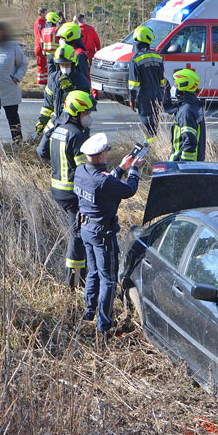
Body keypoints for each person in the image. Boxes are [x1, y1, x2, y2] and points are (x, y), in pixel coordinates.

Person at [74, 133, 143, 335]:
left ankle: (89, 312)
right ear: (100, 157)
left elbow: (104, 182)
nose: (107, 155)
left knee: (94, 271)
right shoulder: (103, 182)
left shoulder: (81, 171)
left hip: (86, 228)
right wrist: (134, 170)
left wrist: (121, 168)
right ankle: (103, 325)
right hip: (102, 233)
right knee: (109, 278)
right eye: (106, 153)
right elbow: (129, 190)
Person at [49, 90, 95, 287]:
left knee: (77, 231)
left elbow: (43, 152)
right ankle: (73, 283)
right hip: (72, 194)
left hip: (57, 189)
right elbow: (84, 171)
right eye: (86, 113)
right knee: (77, 235)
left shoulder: (58, 129)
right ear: (77, 113)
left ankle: (80, 275)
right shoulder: (77, 136)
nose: (89, 117)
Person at [35, 44, 92, 135]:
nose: (64, 68)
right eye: (62, 65)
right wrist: (42, 120)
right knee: (43, 146)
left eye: (67, 65)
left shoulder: (82, 82)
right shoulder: (53, 79)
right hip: (56, 120)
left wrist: (68, 90)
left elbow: (86, 108)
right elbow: (48, 105)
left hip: (74, 123)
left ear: (73, 64)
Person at [128, 25, 165, 141]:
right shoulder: (158, 57)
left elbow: (133, 84)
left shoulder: (136, 58)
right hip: (157, 95)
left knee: (146, 125)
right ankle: (156, 143)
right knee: (155, 124)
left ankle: (149, 147)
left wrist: (132, 100)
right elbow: (162, 81)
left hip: (144, 96)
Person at [166, 68, 205, 161]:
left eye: (175, 84)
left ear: (183, 86)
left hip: (183, 166)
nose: (173, 87)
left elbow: (189, 141)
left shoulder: (186, 111)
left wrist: (184, 165)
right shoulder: (192, 105)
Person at [41, 11, 61, 76]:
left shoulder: (43, 30)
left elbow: (42, 44)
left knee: (50, 74)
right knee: (58, 73)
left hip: (48, 55)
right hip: (56, 54)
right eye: (58, 21)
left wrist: (44, 53)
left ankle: (50, 85)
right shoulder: (56, 29)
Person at [33, 8, 48, 87]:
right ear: (42, 14)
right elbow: (39, 36)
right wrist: (42, 45)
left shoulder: (44, 22)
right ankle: (41, 82)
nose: (46, 14)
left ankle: (45, 80)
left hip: (44, 46)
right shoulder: (38, 23)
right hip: (40, 47)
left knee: (45, 65)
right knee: (41, 65)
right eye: (45, 13)